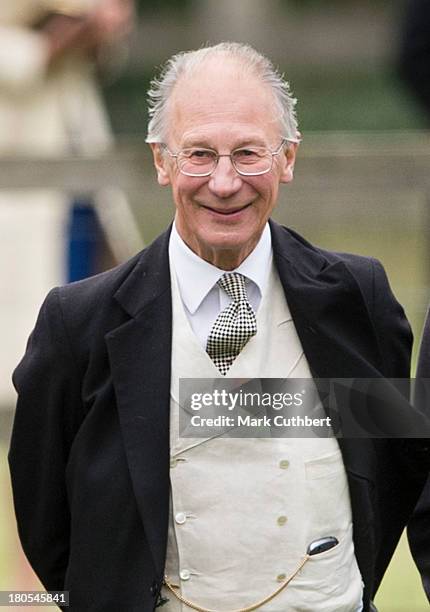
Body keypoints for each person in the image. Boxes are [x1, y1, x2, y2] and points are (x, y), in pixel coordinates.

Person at [8, 42, 430, 611]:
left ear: (288, 158)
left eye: (249, 153)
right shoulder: (79, 325)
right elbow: (46, 517)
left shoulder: (359, 301)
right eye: (200, 154)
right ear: (161, 161)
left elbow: (392, 469)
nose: (225, 182)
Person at [0, 0, 132, 406]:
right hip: (21, 168)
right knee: (28, 290)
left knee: (97, 276)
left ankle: (93, 389)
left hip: (79, 157)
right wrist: (67, 32)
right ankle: (26, 396)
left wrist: (100, 29)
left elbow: (105, 63)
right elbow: (18, 67)